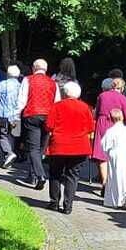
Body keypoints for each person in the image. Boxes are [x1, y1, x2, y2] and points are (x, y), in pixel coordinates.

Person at [45, 80, 93, 213]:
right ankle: (68, 206)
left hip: (59, 146)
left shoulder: (57, 106)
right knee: (72, 176)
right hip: (79, 146)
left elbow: (49, 125)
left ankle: (54, 202)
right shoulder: (85, 107)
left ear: (64, 93)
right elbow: (90, 127)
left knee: (55, 174)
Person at [19, 59, 56, 191]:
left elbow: (22, 99)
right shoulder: (53, 82)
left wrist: (16, 116)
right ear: (46, 69)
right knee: (41, 148)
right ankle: (33, 174)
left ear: (34, 68)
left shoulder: (28, 80)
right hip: (48, 116)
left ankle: (39, 175)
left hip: (32, 114)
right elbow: (56, 102)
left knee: (33, 148)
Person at [92, 77, 126, 193]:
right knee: (114, 153)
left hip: (102, 123)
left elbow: (96, 113)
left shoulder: (102, 96)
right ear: (122, 88)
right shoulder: (123, 98)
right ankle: (112, 182)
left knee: (102, 155)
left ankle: (105, 182)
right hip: (115, 124)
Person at [100, 108, 126, 208]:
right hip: (124, 154)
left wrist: (107, 153)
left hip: (114, 154)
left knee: (114, 177)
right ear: (122, 117)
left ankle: (114, 200)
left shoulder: (110, 131)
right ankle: (125, 198)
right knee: (125, 176)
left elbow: (104, 145)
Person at [0, 64, 25, 164]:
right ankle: (10, 158)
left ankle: (9, 153)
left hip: (4, 115)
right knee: (13, 136)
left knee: (2, 135)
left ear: (7, 73)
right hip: (17, 115)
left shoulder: (3, 84)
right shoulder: (20, 86)